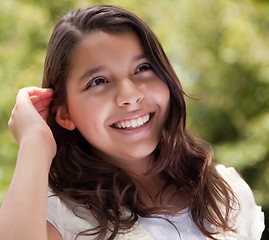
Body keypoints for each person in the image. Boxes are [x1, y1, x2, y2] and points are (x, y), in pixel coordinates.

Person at [0, 4, 264, 240]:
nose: (131, 96)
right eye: (98, 81)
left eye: (142, 68)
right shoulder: (56, 214)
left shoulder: (227, 193)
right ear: (64, 113)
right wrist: (34, 142)